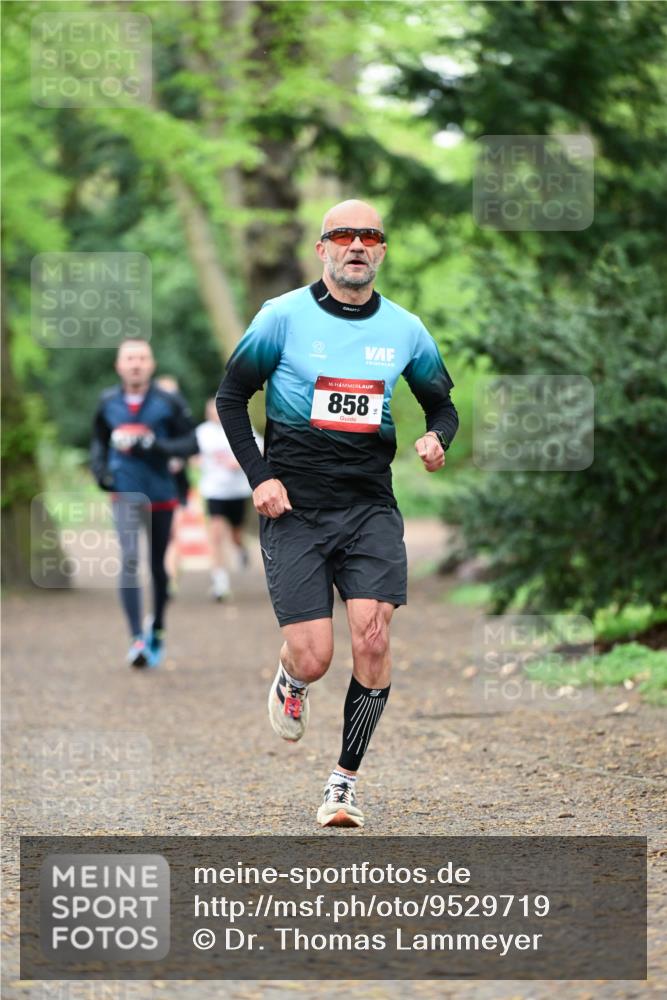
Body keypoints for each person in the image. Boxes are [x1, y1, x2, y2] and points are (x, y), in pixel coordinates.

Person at [216, 199, 458, 827]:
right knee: (315, 655)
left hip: (368, 505)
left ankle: (343, 783)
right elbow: (231, 396)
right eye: (342, 235)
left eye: (369, 236)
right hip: (293, 505)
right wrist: (260, 476)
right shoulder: (282, 317)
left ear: (381, 251)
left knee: (373, 639)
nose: (356, 245)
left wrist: (437, 438)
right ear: (322, 249)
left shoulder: (406, 329)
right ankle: (293, 680)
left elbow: (442, 407)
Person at [90, 339, 198, 668]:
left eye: (141, 358)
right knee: (130, 559)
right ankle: (136, 638)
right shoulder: (107, 401)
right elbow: (97, 440)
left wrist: (156, 446)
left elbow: (191, 442)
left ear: (151, 365)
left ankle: (159, 626)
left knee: (156, 565)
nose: (135, 364)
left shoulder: (168, 400)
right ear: (119, 366)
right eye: (129, 358)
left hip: (160, 495)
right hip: (124, 492)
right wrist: (100, 472)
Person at [195, 398, 262, 601]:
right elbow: (191, 451)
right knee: (216, 534)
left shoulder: (240, 426)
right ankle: (220, 583)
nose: (216, 414)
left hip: (239, 492)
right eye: (211, 411)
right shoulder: (202, 432)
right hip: (214, 491)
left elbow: (261, 447)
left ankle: (240, 549)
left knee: (236, 535)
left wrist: (239, 460)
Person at [155, 375, 191, 594]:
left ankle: (170, 577)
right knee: (160, 535)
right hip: (153, 485)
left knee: (173, 531)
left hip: (177, 485)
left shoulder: (182, 419)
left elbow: (192, 445)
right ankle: (166, 571)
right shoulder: (149, 419)